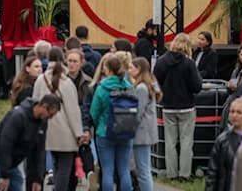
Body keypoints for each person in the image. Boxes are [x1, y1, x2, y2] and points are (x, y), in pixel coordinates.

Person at [0, 94, 63, 191]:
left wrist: (37, 179)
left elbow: (39, 151)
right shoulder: (18, 116)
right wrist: (4, 175)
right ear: (44, 106)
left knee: (17, 182)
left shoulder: (42, 122)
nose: (51, 118)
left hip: (10, 159)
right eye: (51, 114)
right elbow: (6, 144)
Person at [153, 33, 204, 181]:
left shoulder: (161, 61)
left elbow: (155, 83)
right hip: (186, 107)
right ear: (188, 46)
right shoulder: (189, 63)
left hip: (168, 106)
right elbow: (197, 87)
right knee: (186, 142)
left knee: (170, 143)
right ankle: (185, 174)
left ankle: (171, 174)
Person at [31, 48, 82, 191]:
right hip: (65, 131)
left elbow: (34, 103)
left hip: (47, 129)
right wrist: (78, 133)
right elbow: (73, 111)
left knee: (57, 164)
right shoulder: (66, 82)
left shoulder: (40, 80)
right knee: (65, 168)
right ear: (63, 59)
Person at [91, 54, 136, 191]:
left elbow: (94, 112)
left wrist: (98, 124)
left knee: (108, 170)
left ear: (107, 69)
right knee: (124, 169)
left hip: (105, 132)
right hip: (126, 130)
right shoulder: (129, 86)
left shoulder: (102, 88)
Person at [204, 96, 242, 191]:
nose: (234, 115)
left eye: (239, 112)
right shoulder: (223, 140)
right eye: (232, 112)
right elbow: (212, 172)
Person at [131, 57, 160, 191]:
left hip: (141, 133)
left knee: (143, 170)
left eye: (132, 67)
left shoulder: (141, 88)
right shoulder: (149, 84)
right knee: (144, 168)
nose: (130, 70)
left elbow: (138, 111)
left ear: (139, 69)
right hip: (146, 131)